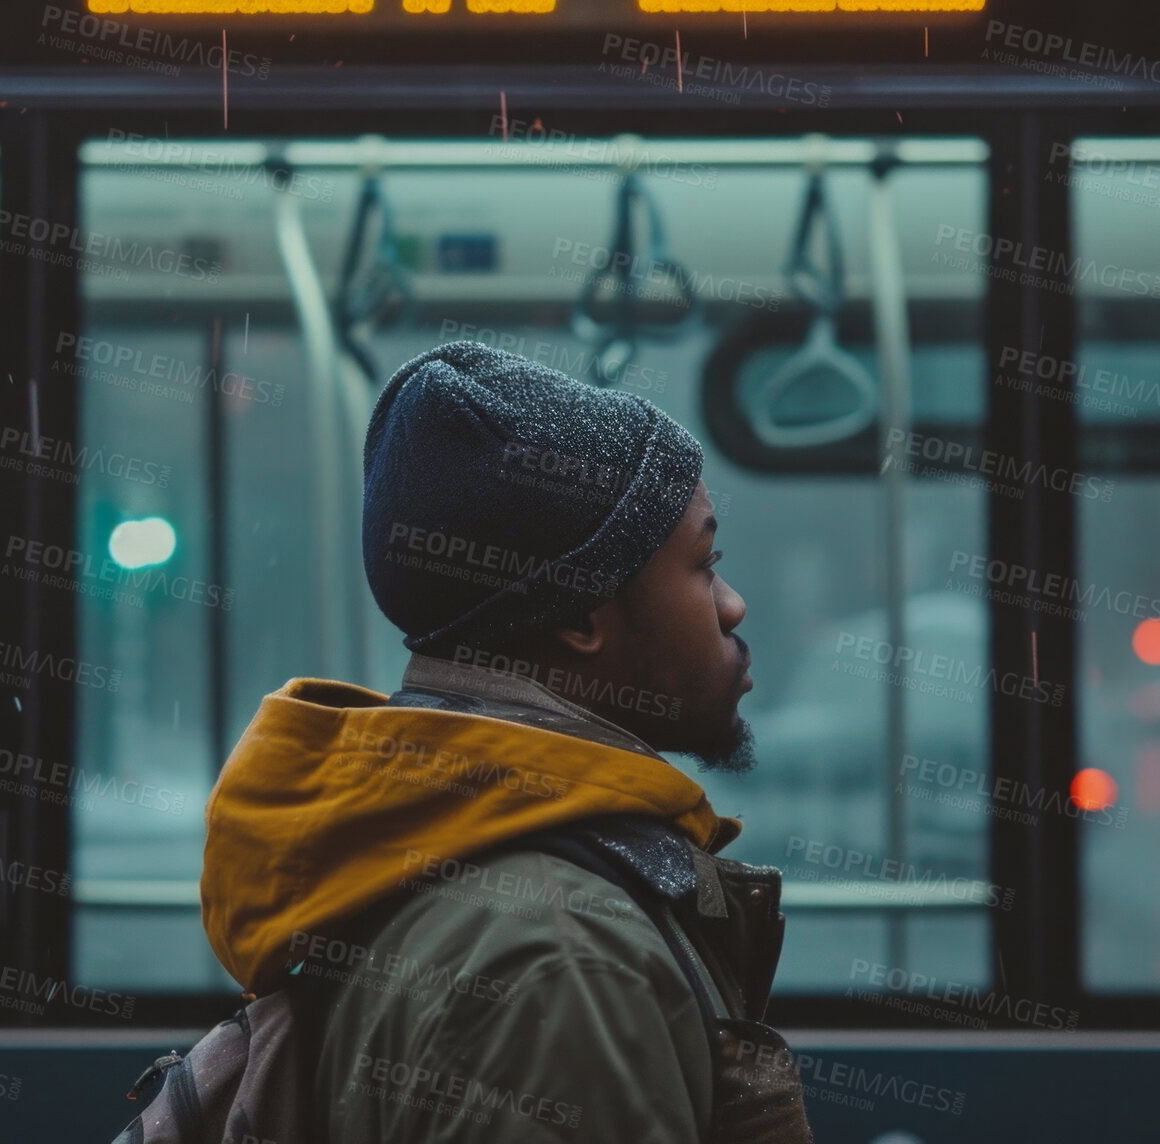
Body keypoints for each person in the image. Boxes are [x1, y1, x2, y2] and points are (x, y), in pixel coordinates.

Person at [199, 341, 813, 1143]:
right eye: (704, 564)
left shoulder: (443, 851)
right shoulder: (559, 963)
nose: (730, 606)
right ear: (576, 618)